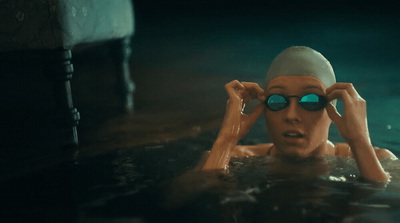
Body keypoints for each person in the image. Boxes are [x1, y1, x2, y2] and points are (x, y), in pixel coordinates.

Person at [201, 46, 397, 182]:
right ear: (264, 110)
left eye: (311, 101)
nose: (291, 115)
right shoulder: (232, 157)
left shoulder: (380, 160)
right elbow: (184, 199)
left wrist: (361, 142)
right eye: (277, 101)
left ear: (333, 111)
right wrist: (226, 139)